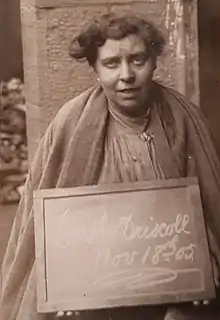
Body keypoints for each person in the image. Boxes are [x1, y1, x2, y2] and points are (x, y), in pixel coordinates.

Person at [0, 12, 220, 320]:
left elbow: (211, 211)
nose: (127, 75)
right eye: (112, 63)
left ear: (154, 62)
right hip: (95, 293)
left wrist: (202, 275)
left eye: (138, 60)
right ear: (95, 69)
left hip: (170, 287)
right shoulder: (71, 124)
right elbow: (47, 227)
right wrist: (61, 287)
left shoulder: (183, 118)